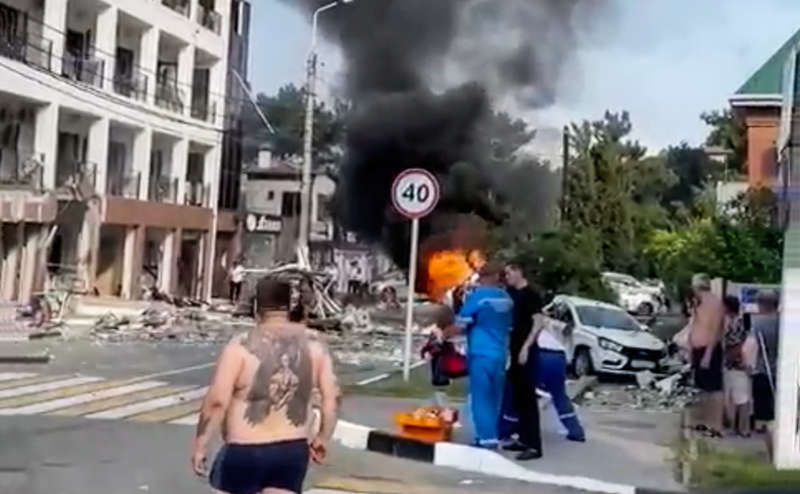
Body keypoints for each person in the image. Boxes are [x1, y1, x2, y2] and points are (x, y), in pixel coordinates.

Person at [191, 277, 340, 494]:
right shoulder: (314, 347)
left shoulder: (240, 347)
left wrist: (201, 445)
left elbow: (217, 402)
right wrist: (322, 438)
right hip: (291, 451)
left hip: (244, 450)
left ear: (256, 308)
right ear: (288, 307)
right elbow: (331, 399)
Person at [439, 261, 513, 449]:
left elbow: (460, 326)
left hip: (481, 352)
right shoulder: (507, 299)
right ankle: (493, 434)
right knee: (495, 397)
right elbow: (509, 327)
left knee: (480, 396)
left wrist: (442, 334)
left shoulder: (478, 297)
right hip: (501, 354)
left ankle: (485, 439)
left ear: (489, 277)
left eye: (482, 276)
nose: (480, 280)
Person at [518, 304, 586, 443]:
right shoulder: (554, 324)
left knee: (518, 391)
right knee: (559, 395)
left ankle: (507, 429)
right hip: (559, 357)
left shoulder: (530, 320)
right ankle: (575, 431)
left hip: (540, 354)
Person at [499, 263, 543, 460]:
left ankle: (534, 446)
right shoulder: (510, 293)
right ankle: (523, 438)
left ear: (519, 272)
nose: (506, 276)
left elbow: (538, 323)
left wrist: (526, 347)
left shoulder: (531, 294)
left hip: (526, 351)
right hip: (512, 351)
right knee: (517, 398)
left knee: (527, 398)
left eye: (509, 273)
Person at [687, 273, 725, 437]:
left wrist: (708, 354)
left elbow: (716, 331)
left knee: (713, 389)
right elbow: (694, 325)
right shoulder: (698, 302)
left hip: (709, 349)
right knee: (701, 388)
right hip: (697, 348)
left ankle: (716, 425)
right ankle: (704, 421)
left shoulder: (715, 303)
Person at [748, 289, 779, 441]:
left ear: (762, 304)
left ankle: (763, 430)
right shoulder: (783, 321)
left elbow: (751, 347)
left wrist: (749, 365)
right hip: (780, 369)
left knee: (761, 404)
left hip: (762, 368)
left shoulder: (757, 323)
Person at [722, 296, 752, 437]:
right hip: (738, 364)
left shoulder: (733, 324)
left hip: (735, 364)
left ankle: (739, 427)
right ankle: (741, 427)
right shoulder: (739, 322)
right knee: (740, 397)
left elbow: (736, 344)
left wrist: (728, 358)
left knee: (738, 398)